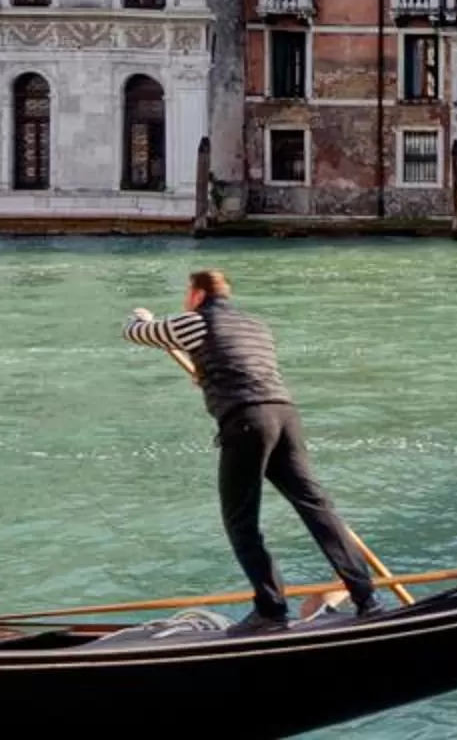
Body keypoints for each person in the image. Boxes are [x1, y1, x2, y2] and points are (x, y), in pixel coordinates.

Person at [124, 267, 389, 635]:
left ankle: (271, 611)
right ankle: (367, 599)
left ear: (197, 295)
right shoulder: (256, 326)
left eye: (188, 294)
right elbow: (244, 365)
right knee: (316, 507)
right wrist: (207, 373)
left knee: (241, 519)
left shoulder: (194, 321)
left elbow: (138, 334)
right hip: (285, 414)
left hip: (246, 421)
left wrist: (140, 316)